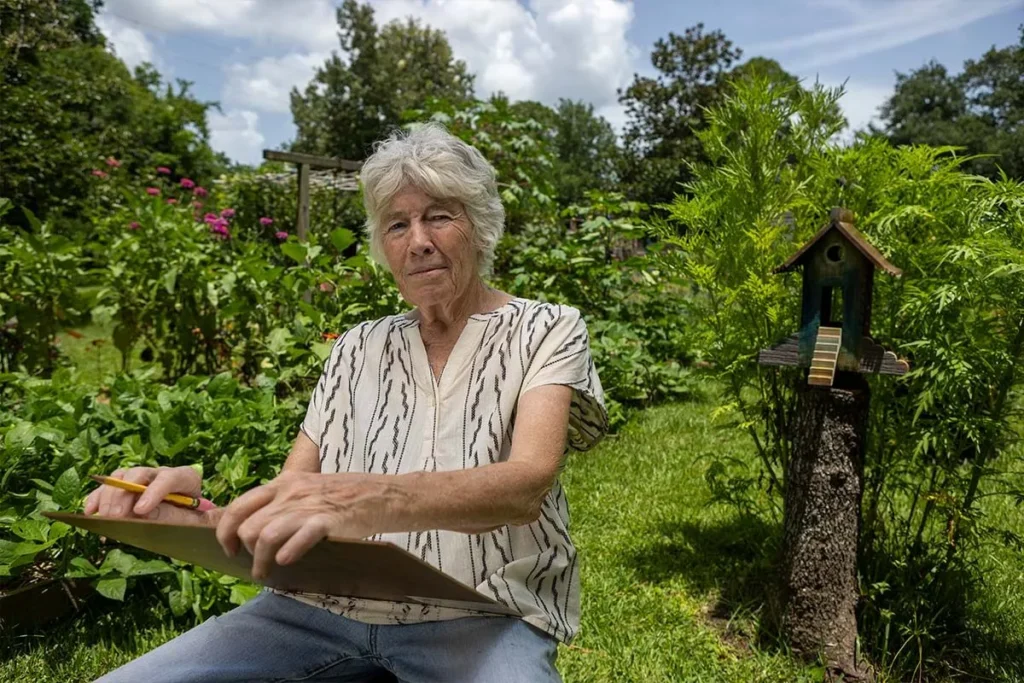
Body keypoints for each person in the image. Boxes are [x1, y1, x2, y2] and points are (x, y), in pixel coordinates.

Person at [87, 123, 608, 683]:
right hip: (318, 609)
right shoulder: (358, 345)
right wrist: (191, 515)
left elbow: (526, 487)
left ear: (478, 225)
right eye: (397, 225)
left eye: (438, 216)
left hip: (484, 616)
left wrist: (359, 499)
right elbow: (295, 497)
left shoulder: (547, 327)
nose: (418, 241)